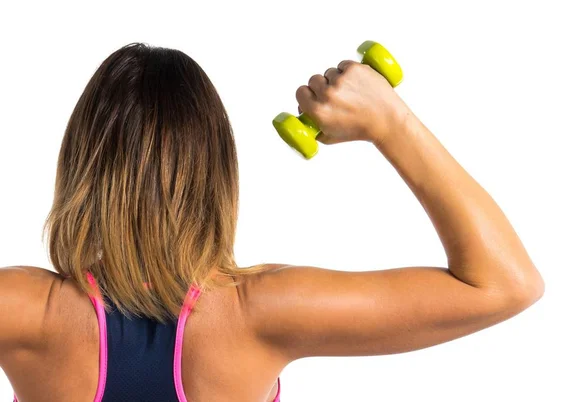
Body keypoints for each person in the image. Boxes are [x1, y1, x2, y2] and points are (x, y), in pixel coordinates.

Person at [0, 42, 544, 402]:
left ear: (82, 164)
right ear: (217, 172)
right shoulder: (258, 313)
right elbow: (505, 284)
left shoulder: (25, 312)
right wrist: (389, 120)